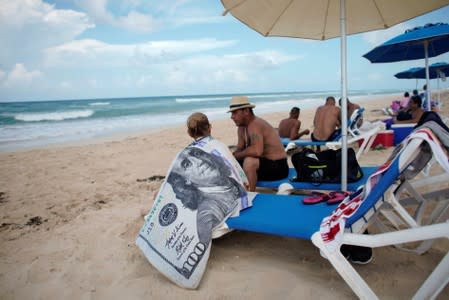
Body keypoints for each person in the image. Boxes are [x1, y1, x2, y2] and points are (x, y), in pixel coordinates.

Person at [167, 112, 248, 248]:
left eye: (198, 155)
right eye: (187, 164)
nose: (199, 162)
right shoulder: (218, 145)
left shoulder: (189, 152)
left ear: (189, 133)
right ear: (210, 127)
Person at [228, 96, 288, 192]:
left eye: (234, 113)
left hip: (278, 167)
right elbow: (240, 149)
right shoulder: (241, 128)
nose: (232, 117)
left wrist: (237, 155)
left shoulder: (255, 124)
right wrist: (231, 157)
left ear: (246, 111)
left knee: (249, 161)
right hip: (263, 165)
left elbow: (257, 151)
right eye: (231, 113)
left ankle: (249, 195)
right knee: (230, 164)